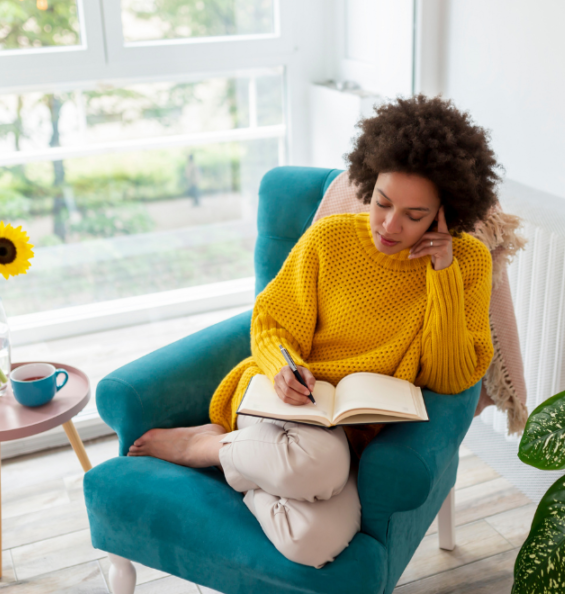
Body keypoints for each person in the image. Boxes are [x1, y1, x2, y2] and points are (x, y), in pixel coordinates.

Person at [127, 94, 500, 569]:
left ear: (445, 213)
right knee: (316, 465)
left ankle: (237, 461)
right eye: (383, 203)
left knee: (312, 542)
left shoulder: (467, 263)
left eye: (414, 215)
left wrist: (441, 273)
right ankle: (202, 445)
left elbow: (450, 378)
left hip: (352, 432)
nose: (389, 225)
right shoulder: (331, 239)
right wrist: (284, 367)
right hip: (287, 403)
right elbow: (271, 320)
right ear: (370, 181)